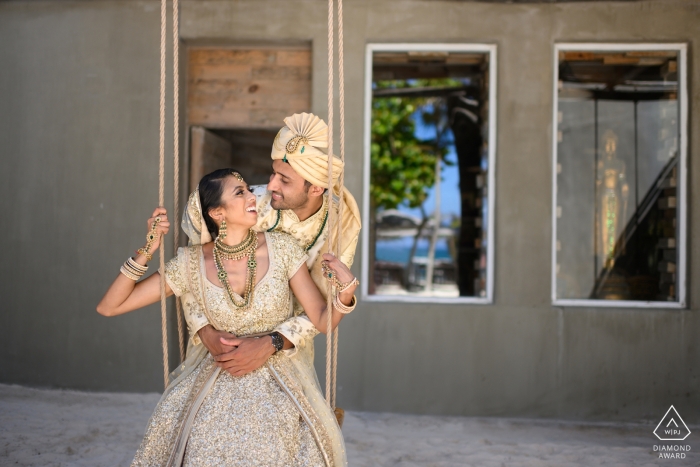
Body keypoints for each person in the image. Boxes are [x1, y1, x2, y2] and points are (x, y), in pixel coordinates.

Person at [96, 168, 357, 466]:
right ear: (218, 213)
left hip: (280, 380)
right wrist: (148, 249)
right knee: (202, 439)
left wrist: (346, 291)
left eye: (248, 190)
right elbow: (110, 306)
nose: (253, 197)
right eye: (240, 192)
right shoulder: (190, 263)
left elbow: (324, 321)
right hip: (216, 377)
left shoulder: (283, 249)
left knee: (275, 442)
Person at [189, 113, 362, 379]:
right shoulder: (248, 203)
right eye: (273, 173)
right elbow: (193, 270)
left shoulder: (342, 225)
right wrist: (206, 333)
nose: (270, 185)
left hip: (289, 352)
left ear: (316, 189)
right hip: (222, 347)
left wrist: (272, 343)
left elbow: (322, 309)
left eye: (284, 179)